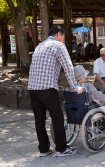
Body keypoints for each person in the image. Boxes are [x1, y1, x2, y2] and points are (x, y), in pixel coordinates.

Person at [28, 26, 84, 157]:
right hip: (47, 87)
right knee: (58, 117)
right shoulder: (58, 45)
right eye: (63, 37)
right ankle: (61, 148)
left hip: (32, 88)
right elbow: (68, 67)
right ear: (59, 34)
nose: (63, 40)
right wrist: (75, 87)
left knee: (39, 120)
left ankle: (44, 150)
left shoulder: (40, 45)